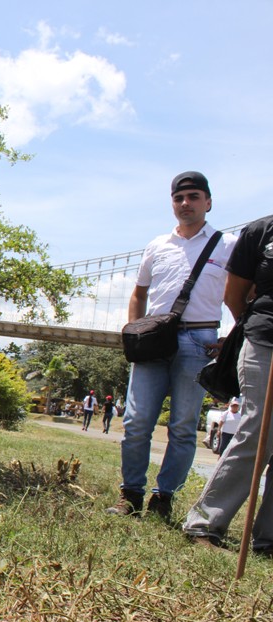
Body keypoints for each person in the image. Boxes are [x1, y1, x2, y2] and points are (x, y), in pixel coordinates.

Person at [105, 171, 235, 520]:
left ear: (208, 202)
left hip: (201, 341)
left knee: (182, 426)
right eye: (179, 198)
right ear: (172, 203)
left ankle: (164, 499)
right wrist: (133, 329)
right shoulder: (157, 245)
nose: (185, 204)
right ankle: (130, 494)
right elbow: (139, 292)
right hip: (153, 341)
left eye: (193, 197)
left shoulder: (228, 244)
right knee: (136, 421)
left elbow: (245, 294)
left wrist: (231, 335)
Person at [184, 214, 273, 556]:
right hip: (266, 338)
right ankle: (205, 524)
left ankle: (268, 540)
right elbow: (235, 295)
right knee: (258, 431)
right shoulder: (261, 231)